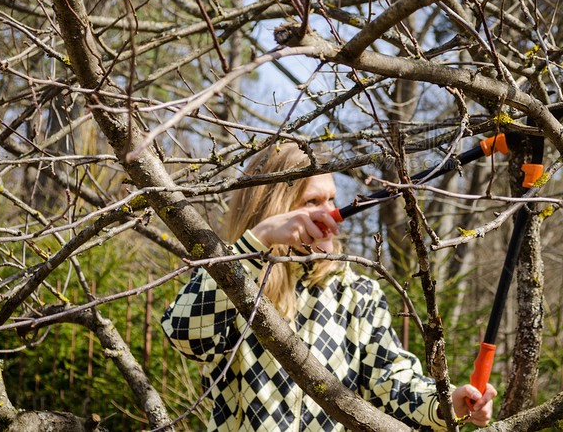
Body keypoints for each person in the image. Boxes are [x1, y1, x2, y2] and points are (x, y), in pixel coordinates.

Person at [162, 144, 496, 431]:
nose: (330, 214)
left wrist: (445, 403)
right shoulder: (235, 279)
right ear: (274, 207)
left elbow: (392, 383)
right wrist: (258, 240)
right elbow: (185, 336)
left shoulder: (358, 294)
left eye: (332, 199)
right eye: (312, 202)